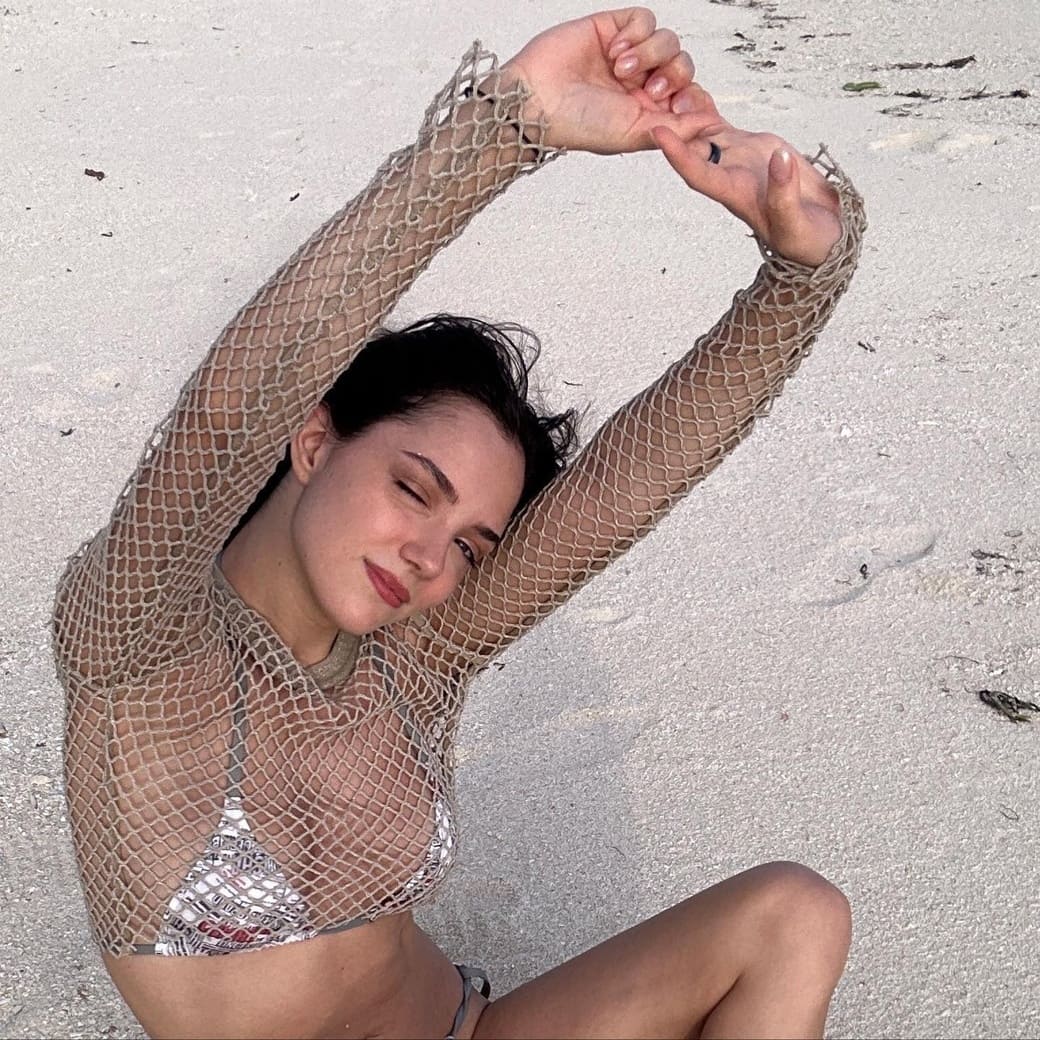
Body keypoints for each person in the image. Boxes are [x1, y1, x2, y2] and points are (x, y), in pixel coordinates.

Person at [52, 7, 865, 1039]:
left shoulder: (418, 654)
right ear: (314, 438)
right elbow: (224, 415)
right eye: (413, 488)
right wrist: (506, 124)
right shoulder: (137, 642)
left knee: (794, 911)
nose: (430, 556)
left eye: (471, 544)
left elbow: (622, 490)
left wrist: (798, 275)